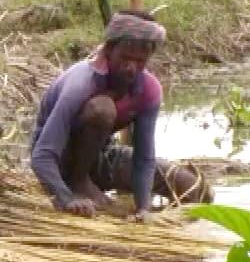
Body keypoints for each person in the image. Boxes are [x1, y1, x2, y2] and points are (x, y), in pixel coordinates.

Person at [29, 11, 207, 219]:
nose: (131, 68)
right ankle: (79, 182)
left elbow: (144, 158)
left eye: (140, 61)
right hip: (61, 160)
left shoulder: (149, 90)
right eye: (124, 58)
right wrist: (66, 198)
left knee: (195, 190)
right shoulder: (81, 83)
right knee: (103, 109)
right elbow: (42, 156)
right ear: (109, 49)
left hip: (99, 157)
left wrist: (143, 209)